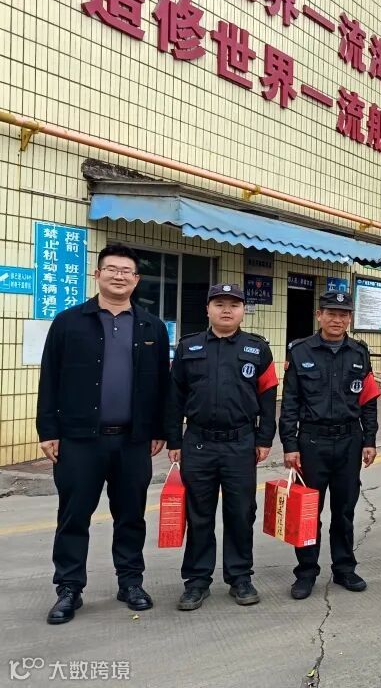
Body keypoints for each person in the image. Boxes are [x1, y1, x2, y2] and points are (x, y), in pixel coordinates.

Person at [36, 244, 170, 625]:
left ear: (136, 280)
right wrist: (48, 429)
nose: (119, 276)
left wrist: (158, 429)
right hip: (79, 440)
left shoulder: (152, 327)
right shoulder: (68, 322)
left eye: (127, 271)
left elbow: (161, 384)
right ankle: (69, 588)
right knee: (73, 516)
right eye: (111, 269)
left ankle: (130, 582)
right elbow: (49, 377)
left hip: (132, 441)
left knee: (131, 515)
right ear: (97, 274)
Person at [167, 283, 278, 611]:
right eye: (219, 304)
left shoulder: (258, 349)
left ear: (243, 310)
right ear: (208, 309)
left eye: (233, 304)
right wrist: (174, 439)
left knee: (240, 513)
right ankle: (197, 581)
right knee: (198, 514)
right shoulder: (188, 347)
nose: (226, 310)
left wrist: (264, 439)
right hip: (198, 443)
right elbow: (174, 397)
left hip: (240, 444)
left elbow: (268, 398)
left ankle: (240, 577)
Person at [280, 291, 379, 599]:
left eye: (343, 314)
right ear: (319, 315)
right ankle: (306, 572)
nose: (337, 320)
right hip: (312, 442)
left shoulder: (359, 352)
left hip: (349, 441)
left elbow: (368, 401)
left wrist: (370, 439)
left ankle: (344, 568)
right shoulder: (300, 351)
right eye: (331, 313)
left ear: (350, 318)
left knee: (344, 511)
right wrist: (289, 444)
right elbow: (290, 403)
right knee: (308, 512)